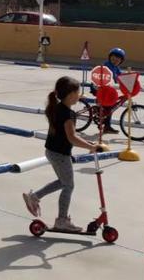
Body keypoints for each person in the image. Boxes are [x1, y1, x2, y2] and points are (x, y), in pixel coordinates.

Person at [22, 76, 107, 232]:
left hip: (52, 151)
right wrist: (91, 146)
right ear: (70, 95)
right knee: (68, 185)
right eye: (78, 92)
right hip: (60, 154)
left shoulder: (57, 107)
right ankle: (61, 220)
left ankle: (34, 197)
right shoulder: (68, 114)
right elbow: (72, 137)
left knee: (63, 182)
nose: (79, 96)